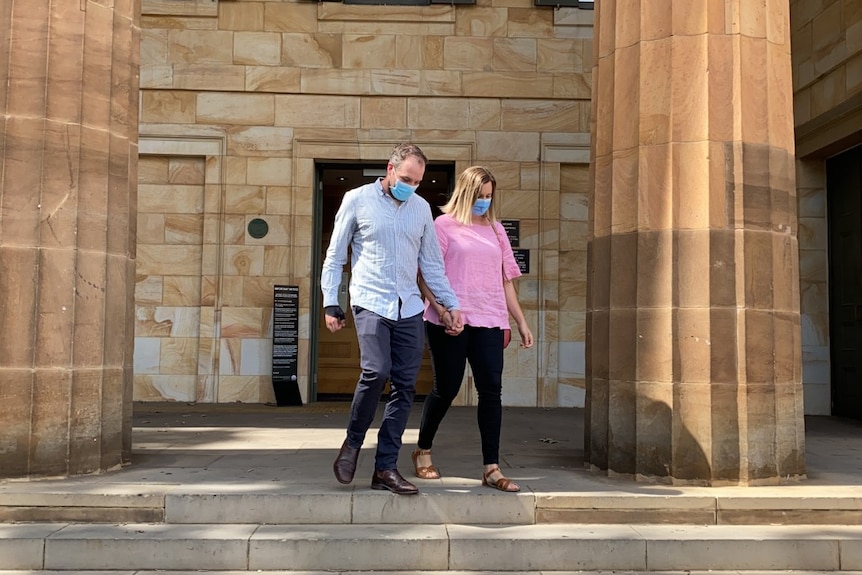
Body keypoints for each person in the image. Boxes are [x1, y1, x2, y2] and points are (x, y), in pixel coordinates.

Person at [320, 143, 462, 496]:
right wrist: (330, 301)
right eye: (405, 179)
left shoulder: (422, 209)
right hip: (370, 300)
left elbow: (431, 263)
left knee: (405, 386)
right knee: (376, 370)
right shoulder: (357, 199)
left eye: (417, 182)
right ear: (390, 169)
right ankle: (353, 444)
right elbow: (335, 255)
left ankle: (385, 467)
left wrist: (449, 304)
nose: (411, 186)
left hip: (410, 307)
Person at [414, 165, 533, 492]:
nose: (485, 202)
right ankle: (423, 449)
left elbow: (504, 279)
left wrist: (521, 321)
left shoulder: (496, 230)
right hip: (449, 320)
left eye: (489, 196)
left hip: (491, 320)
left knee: (491, 391)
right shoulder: (443, 225)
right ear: (466, 193)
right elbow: (424, 275)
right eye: (480, 196)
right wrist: (441, 310)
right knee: (447, 389)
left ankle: (491, 468)